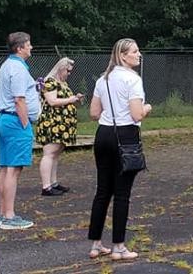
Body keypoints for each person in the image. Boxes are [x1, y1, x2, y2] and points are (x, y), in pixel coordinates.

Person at [88, 38, 152, 261]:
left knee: (103, 191)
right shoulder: (133, 80)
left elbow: (94, 113)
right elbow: (136, 114)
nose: (139, 54)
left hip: (103, 133)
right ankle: (118, 247)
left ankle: (96, 244)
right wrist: (147, 107)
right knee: (122, 194)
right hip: (125, 135)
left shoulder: (103, 79)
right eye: (135, 51)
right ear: (123, 56)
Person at [0, 32, 40, 230]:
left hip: (5, 119)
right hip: (15, 120)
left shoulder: (7, 65)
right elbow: (19, 99)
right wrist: (25, 124)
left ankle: (3, 212)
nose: (31, 48)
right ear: (20, 48)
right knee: (14, 168)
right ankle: (10, 216)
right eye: (28, 45)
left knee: (6, 167)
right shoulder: (18, 69)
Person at [36, 57, 82, 196]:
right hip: (52, 123)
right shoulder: (50, 82)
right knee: (49, 154)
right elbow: (52, 101)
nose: (69, 73)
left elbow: (65, 101)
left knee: (55, 154)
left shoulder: (63, 84)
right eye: (67, 70)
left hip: (62, 124)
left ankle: (53, 182)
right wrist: (71, 99)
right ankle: (46, 186)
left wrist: (76, 100)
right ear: (60, 68)